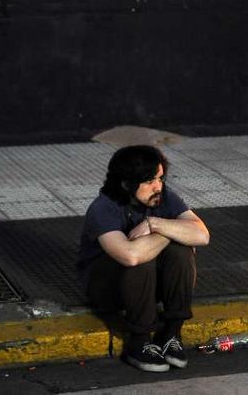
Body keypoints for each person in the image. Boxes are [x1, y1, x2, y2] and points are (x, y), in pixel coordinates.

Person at [77, 144, 210, 372]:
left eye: (159, 178)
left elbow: (202, 234)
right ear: (126, 184)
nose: (158, 186)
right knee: (146, 256)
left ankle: (171, 334)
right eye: (149, 182)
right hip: (108, 289)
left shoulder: (163, 196)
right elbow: (130, 256)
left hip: (147, 287)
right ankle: (138, 342)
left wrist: (155, 225)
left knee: (181, 251)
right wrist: (172, 232)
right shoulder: (103, 208)